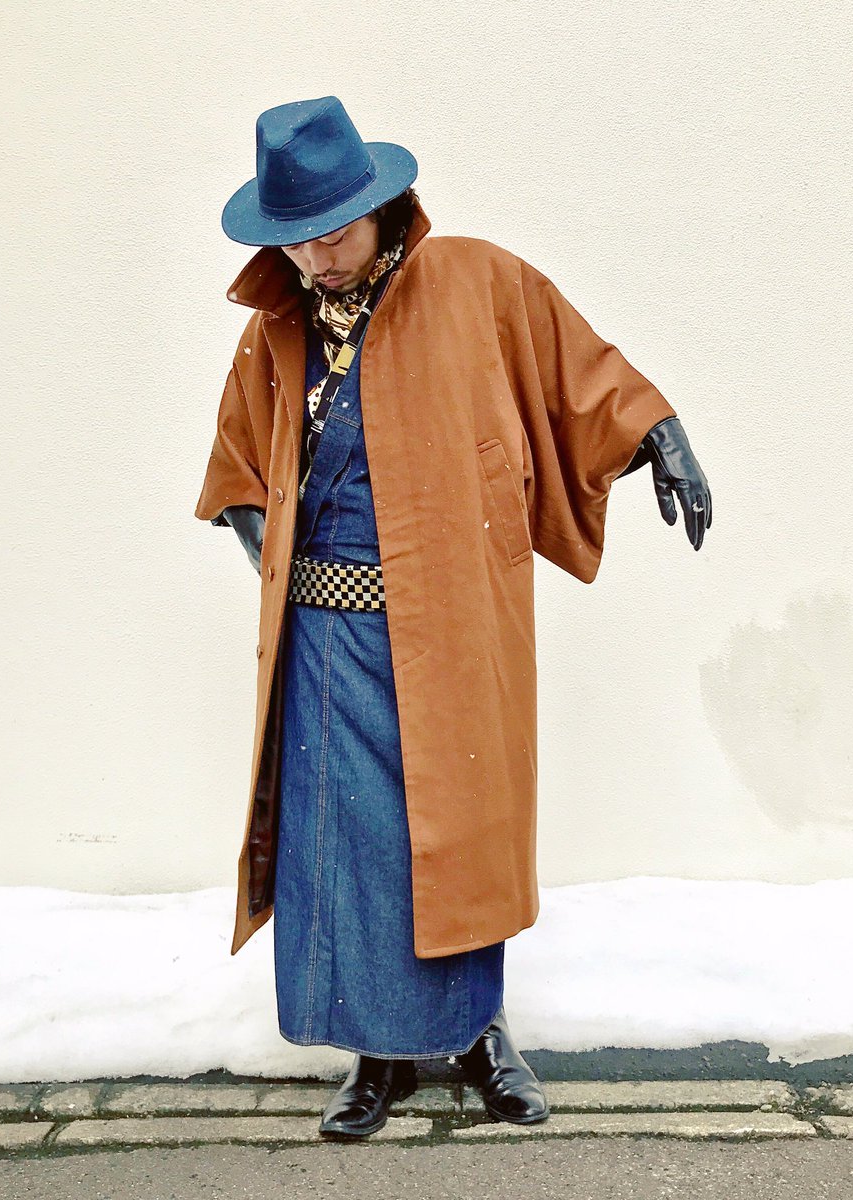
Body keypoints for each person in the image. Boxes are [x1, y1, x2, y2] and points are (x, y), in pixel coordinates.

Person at [195, 96, 712, 1140]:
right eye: (297, 240)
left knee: (462, 828)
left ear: (381, 206)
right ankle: (376, 1055)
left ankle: (480, 1035)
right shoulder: (277, 330)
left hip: (453, 619)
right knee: (350, 848)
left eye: (335, 232)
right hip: (326, 643)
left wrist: (660, 433)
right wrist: (270, 545)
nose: (317, 258)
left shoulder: (477, 281)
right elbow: (237, 469)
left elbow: (581, 371)